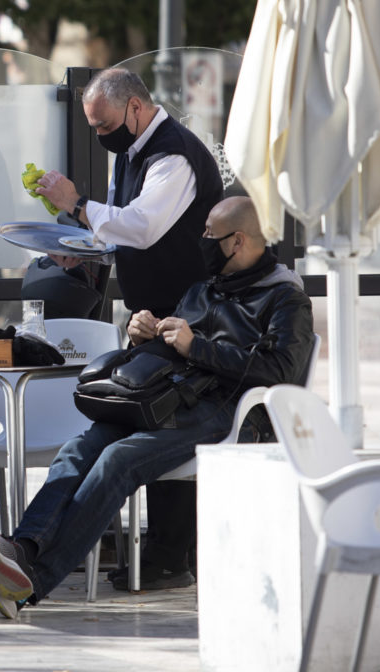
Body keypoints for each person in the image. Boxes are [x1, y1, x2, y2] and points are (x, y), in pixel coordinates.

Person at [0, 196, 315, 618]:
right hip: (166, 399)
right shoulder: (204, 288)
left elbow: (281, 371)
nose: (200, 241)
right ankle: (22, 548)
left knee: (117, 460)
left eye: (208, 235)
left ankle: (33, 580)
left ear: (237, 242)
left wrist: (195, 346)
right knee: (80, 448)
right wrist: (142, 336)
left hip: (227, 411)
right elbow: (169, 352)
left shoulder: (284, 299)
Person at [34, 67, 225, 590]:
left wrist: (75, 204)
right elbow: (124, 229)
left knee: (156, 426)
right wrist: (85, 251)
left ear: (136, 108)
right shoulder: (135, 152)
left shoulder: (174, 154)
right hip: (152, 321)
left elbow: (142, 225)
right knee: (140, 421)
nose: (99, 135)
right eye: (93, 126)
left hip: (187, 324)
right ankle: (161, 555)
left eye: (104, 124)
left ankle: (168, 555)